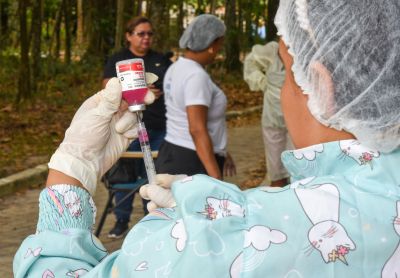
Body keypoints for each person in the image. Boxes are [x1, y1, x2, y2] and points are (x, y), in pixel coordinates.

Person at [14, 3, 400, 277]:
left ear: (323, 84)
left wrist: (71, 166)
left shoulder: (232, 240)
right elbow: (197, 126)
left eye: (285, 70)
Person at [102, 16, 172, 238]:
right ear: (129, 36)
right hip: (128, 128)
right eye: (141, 33)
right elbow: (106, 87)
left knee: (153, 176)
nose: (146, 38)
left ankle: (150, 220)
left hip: (159, 126)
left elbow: (174, 86)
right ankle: (121, 220)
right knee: (125, 178)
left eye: (149, 34)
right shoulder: (119, 59)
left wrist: (158, 91)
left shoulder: (161, 60)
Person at [155, 14, 236, 181]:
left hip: (172, 151)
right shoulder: (196, 76)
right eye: (220, 45)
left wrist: (222, 152)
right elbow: (197, 129)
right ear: (212, 45)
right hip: (193, 161)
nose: (219, 51)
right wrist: (215, 177)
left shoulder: (176, 68)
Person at [243, 40, 292, 187]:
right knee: (276, 171)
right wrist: (262, 82)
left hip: (301, 119)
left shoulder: (307, 50)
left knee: (300, 168)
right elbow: (250, 62)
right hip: (273, 116)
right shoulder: (272, 50)